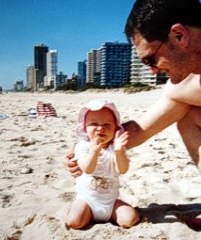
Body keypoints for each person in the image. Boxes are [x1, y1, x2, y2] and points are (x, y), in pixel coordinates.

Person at [65, 0, 201, 176]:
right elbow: (139, 130)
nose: (153, 71)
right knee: (189, 119)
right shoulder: (184, 88)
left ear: (179, 35)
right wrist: (85, 147)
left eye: (150, 59)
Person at [65, 99, 139, 229]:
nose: (101, 128)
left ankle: (111, 216)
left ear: (116, 129)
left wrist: (119, 152)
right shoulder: (82, 147)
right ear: (84, 128)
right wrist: (94, 151)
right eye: (94, 124)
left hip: (110, 202)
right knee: (74, 222)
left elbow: (122, 170)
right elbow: (87, 169)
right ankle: (77, 211)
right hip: (87, 200)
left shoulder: (115, 147)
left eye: (107, 124)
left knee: (130, 219)